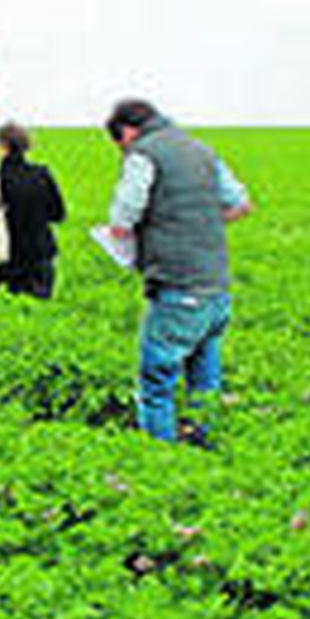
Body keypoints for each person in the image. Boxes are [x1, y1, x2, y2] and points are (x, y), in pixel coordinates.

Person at [104, 98, 253, 443]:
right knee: (205, 379)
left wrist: (123, 234)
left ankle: (161, 459)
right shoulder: (202, 150)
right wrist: (198, 223)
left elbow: (124, 214)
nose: (123, 152)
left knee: (157, 379)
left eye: (120, 145)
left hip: (178, 285)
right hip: (216, 286)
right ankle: (207, 447)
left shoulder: (145, 153)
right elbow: (241, 204)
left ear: (127, 132)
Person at [0, 122, 67, 299]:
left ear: (2, 146)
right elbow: (58, 214)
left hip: (8, 256)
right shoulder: (41, 174)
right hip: (41, 254)